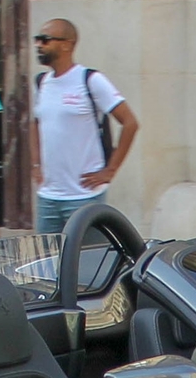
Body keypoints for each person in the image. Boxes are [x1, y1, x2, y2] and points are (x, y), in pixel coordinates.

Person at [31, 18, 139, 235]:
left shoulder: (90, 80)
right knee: (46, 263)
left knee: (85, 262)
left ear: (67, 44)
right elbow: (36, 123)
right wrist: (36, 164)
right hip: (48, 197)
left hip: (83, 196)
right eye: (37, 40)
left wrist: (110, 170)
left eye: (45, 40)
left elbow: (130, 123)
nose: (39, 45)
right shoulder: (42, 82)